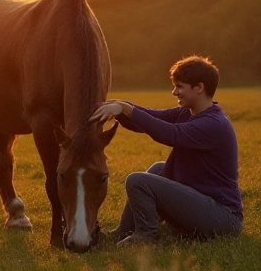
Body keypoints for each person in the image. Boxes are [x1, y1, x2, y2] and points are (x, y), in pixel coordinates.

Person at [89, 56, 242, 247]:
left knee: (137, 181)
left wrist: (126, 109)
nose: (174, 92)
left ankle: (146, 236)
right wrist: (118, 109)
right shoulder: (188, 113)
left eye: (179, 86)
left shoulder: (213, 124)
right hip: (203, 204)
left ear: (199, 88)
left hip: (223, 218)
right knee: (158, 169)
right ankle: (123, 231)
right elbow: (150, 119)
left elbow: (171, 134)